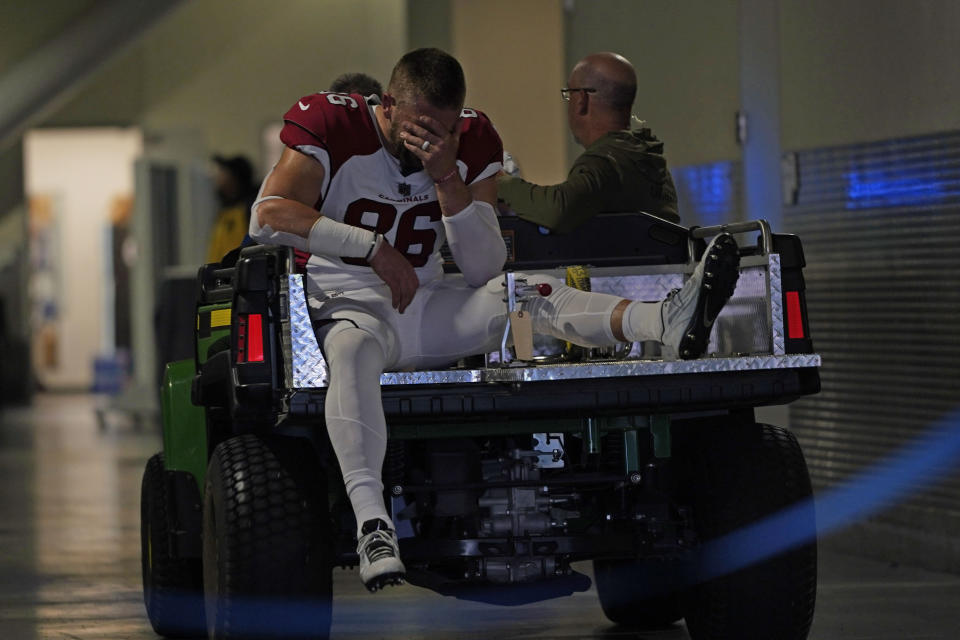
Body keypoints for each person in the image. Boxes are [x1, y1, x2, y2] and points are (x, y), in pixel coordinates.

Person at [248, 48, 739, 592]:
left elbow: (484, 264)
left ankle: (660, 321)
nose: (428, 143)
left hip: (427, 303)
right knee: (350, 355)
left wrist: (447, 180)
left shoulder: (470, 138)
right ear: (387, 106)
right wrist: (371, 248)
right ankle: (373, 523)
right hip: (352, 304)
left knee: (521, 293)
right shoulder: (335, 121)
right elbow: (267, 216)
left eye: (443, 130)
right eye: (418, 130)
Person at [497, 52, 679, 232]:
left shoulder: (606, 161)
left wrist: (498, 182)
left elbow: (557, 209)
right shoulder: (648, 160)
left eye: (569, 95)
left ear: (581, 100)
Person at [207, 154, 257, 262]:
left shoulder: (250, 208)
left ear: (235, 178)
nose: (219, 178)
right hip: (220, 274)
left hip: (239, 272)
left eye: (224, 173)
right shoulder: (225, 210)